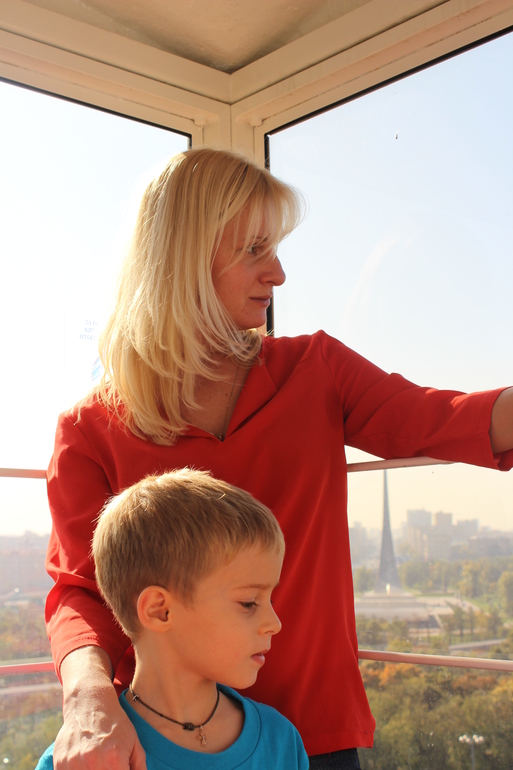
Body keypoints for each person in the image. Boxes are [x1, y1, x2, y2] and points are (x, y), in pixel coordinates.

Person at [45, 147, 513, 770]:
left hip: (316, 736)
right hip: (166, 744)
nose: (279, 274)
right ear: (185, 259)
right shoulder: (88, 431)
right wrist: (88, 699)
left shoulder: (316, 369)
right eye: (254, 250)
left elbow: (443, 417)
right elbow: (81, 593)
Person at [37, 469, 309, 769]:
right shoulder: (81, 761)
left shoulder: (282, 741)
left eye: (270, 600)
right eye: (249, 603)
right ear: (159, 610)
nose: (274, 623)